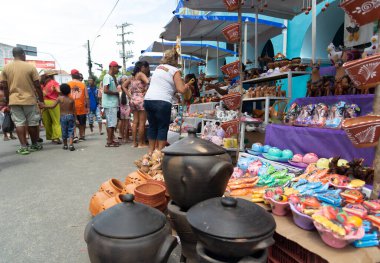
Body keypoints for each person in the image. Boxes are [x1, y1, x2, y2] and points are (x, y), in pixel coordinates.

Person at [144, 49, 189, 153]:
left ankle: (150, 153)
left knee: (152, 126)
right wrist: (186, 86)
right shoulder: (175, 70)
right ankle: (159, 154)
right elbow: (181, 90)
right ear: (176, 59)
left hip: (148, 100)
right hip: (162, 101)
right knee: (162, 127)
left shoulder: (158, 68)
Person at [0, 47, 44, 155]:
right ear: (23, 54)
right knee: (32, 123)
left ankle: (23, 147)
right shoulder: (30, 67)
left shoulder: (6, 68)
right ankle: (34, 144)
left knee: (19, 123)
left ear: (13, 55)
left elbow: (4, 86)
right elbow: (37, 85)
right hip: (29, 99)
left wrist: (7, 100)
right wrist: (41, 100)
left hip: (14, 100)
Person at [122, 61, 150, 148]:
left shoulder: (132, 77)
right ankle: (141, 143)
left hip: (133, 99)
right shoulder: (141, 74)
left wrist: (129, 95)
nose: (147, 69)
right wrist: (145, 91)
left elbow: (123, 86)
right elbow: (148, 82)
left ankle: (134, 143)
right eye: (146, 67)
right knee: (142, 122)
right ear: (142, 67)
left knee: (135, 122)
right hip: (141, 99)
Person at [43, 84, 76, 151]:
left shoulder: (59, 98)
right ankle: (71, 144)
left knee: (64, 131)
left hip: (63, 117)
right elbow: (74, 110)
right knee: (71, 130)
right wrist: (76, 119)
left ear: (61, 91)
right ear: (69, 91)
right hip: (70, 116)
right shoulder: (71, 99)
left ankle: (65, 145)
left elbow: (52, 106)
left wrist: (43, 106)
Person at [102, 61, 121, 147]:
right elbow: (105, 90)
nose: (118, 69)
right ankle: (109, 141)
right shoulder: (107, 77)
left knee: (112, 123)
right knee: (111, 124)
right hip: (110, 104)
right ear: (112, 67)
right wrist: (115, 93)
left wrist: (114, 78)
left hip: (112, 103)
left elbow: (116, 87)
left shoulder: (112, 77)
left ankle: (111, 140)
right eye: (117, 67)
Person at [41, 70, 62, 144]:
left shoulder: (43, 84)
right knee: (56, 120)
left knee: (48, 121)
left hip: (44, 102)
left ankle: (51, 137)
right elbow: (59, 91)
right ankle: (56, 137)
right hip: (53, 102)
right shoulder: (54, 82)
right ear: (52, 76)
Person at [68, 69, 89, 142]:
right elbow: (87, 97)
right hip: (81, 106)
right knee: (81, 122)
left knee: (72, 122)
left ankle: (75, 136)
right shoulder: (82, 84)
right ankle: (81, 135)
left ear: (71, 75)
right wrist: (88, 107)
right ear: (78, 75)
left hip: (71, 107)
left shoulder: (68, 84)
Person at [119, 76, 131, 143]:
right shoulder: (128, 92)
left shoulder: (119, 93)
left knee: (122, 124)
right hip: (127, 108)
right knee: (126, 124)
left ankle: (123, 137)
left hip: (121, 109)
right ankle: (126, 138)